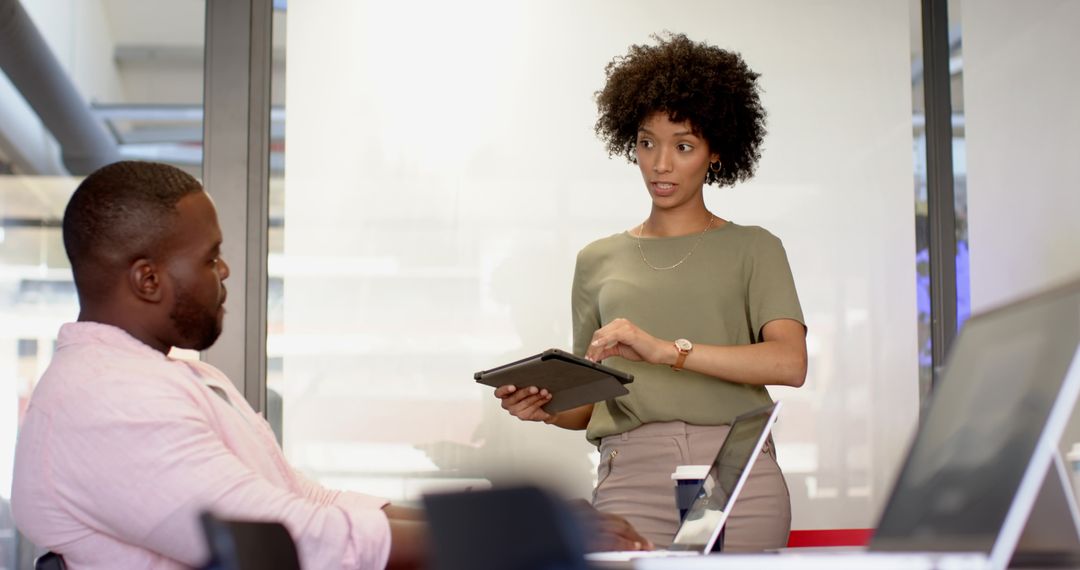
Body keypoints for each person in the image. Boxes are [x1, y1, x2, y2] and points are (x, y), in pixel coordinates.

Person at [10, 160, 645, 569]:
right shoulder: (106, 401)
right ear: (147, 278)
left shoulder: (178, 377)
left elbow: (302, 497)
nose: (224, 271)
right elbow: (289, 537)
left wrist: (517, 521)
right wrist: (521, 532)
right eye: (209, 258)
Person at [494, 33, 807, 551]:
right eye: (646, 142)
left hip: (735, 473)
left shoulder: (754, 248)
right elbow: (588, 403)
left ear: (715, 154)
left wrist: (667, 351)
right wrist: (546, 405)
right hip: (632, 472)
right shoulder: (597, 259)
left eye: (682, 146)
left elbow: (789, 363)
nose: (660, 164)